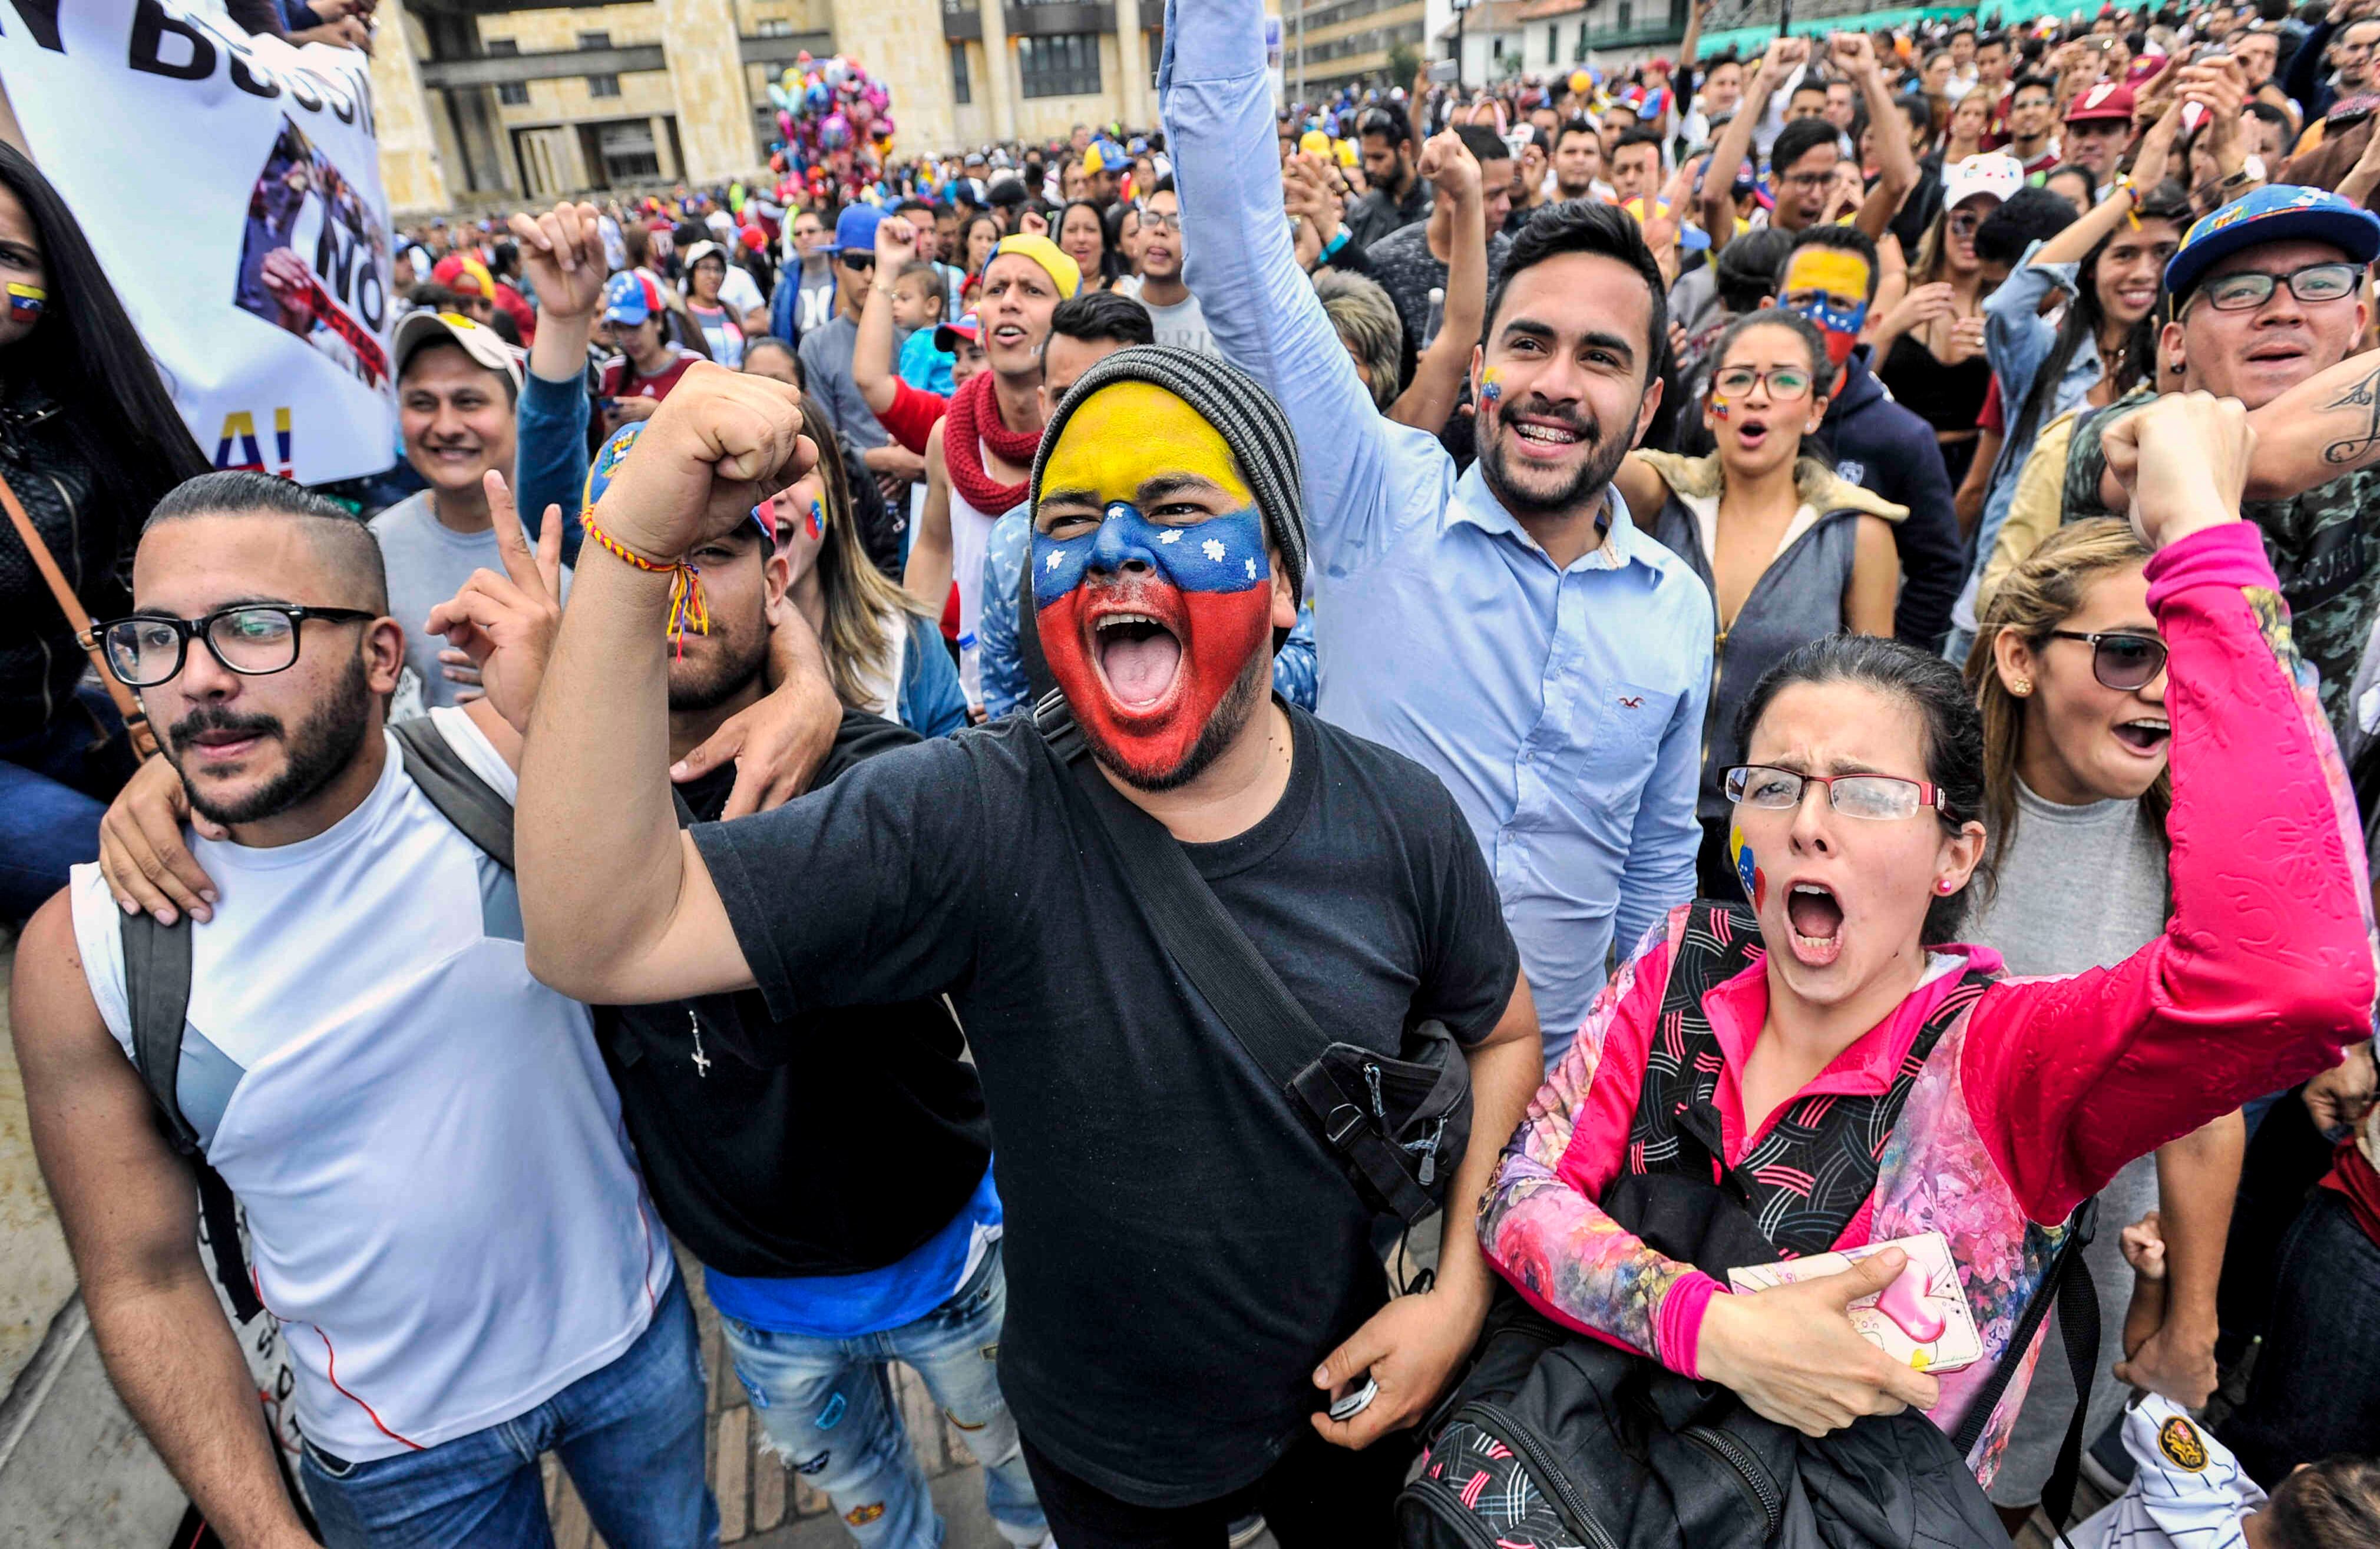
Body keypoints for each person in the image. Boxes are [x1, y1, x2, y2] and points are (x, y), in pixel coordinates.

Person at [511, 348, 1543, 1544]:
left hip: (1351, 1413)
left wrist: (1456, 1292)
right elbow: (599, 934)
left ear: (1278, 585)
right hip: (1101, 1455)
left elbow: (1504, 1031)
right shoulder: (972, 816)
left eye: (1172, 509)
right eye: (1068, 521)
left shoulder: (1399, 817)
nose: (1112, 549)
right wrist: (632, 551)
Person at [1477, 391, 2372, 1495]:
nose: (1807, 821)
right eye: (1775, 785)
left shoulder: (2003, 1064)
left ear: (1956, 857)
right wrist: (1715, 1330)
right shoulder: (1683, 958)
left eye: (1863, 793)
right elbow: (1521, 1201)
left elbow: (2295, 978)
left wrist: (2201, 535)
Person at [14, 472, 717, 1549]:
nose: (197, 681)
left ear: (383, 656)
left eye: (256, 629)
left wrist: (759, 681)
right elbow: (142, 1280)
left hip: (633, 1342)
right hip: (395, 1464)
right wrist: (268, 1536)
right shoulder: (87, 954)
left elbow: (741, 779)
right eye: (156, 639)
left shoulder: (511, 761)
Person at [1169, 0, 1711, 1070]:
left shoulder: (1678, 608)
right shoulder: (1381, 499)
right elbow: (1237, 261)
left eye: (1600, 359)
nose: (1556, 385)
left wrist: (1638, 1067)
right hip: (1334, 1084)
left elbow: (1655, 868)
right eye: (1529, 343)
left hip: (1552, 1111)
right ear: (1479, 374)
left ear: (1648, 411)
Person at [1964, 519, 2247, 1531]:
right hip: (1883, 1263)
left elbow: (2205, 1110)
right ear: (2019, 658)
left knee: (1982, 1512)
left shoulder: (2197, 856)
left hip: (2066, 1296)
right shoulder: (1927, 808)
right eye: (2128, 651)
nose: (2164, 688)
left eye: (2186, 659)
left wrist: (2191, 1322)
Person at [1614, 309, 1902, 895]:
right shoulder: (1657, 497)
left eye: (1785, 380)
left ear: (1816, 408)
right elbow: (1589, 456)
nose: (1757, 397)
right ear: (1708, 404)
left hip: (1774, 830)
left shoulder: (1856, 531)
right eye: (1738, 378)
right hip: (1635, 810)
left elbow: (1877, 708)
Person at [0, 140, 209, 924]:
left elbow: (158, 588)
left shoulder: (82, 410)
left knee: (240, 818)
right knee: (133, 870)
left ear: (51, 286)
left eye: (8, 254)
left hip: (67, 724)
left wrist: (175, 730)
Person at [1953, 163, 2190, 656]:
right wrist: (2127, 196)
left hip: (2106, 619)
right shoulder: (2043, 356)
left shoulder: (2183, 372)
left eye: (2164, 254)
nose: (2144, 273)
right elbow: (2007, 305)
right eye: (2124, 254)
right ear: (2091, 267)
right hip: (2001, 599)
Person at [1773, 226, 1967, 649]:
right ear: (1770, 307)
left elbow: (1938, 571)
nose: (1817, 319)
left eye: (1840, 304)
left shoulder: (1902, 438)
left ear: (1870, 323)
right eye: (1803, 300)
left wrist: (1890, 664)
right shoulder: (1727, 413)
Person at [910, 233, 1076, 708]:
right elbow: (934, 549)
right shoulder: (949, 436)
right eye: (996, 289)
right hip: (976, 703)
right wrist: (919, 674)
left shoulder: (1086, 433)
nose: (1010, 304)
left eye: (1033, 291)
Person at [1869, 154, 2022, 493]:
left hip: (1973, 473)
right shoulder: (1900, 287)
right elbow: (1857, 378)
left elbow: (2022, 408)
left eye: (1991, 224)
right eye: (1964, 221)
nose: (1973, 235)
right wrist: (1892, 327)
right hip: (1893, 460)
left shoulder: (2013, 307)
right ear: (1943, 223)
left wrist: (1999, 352)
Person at [800, 206, 923, 497]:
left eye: (876, 263)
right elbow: (822, 437)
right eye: (857, 262)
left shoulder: (914, 339)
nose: (869, 275)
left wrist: (913, 460)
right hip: (854, 495)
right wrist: (881, 460)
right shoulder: (816, 346)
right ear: (836, 265)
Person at [597, 269, 707, 435]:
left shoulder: (693, 367)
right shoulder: (612, 372)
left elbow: (708, 430)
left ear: (658, 321)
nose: (628, 338)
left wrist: (658, 412)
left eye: (635, 327)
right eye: (619, 328)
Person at [1132, 180, 1214, 355]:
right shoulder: (1118, 316)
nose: (1160, 229)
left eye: (1175, 223)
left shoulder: (1216, 322)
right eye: (1151, 219)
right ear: (1136, 239)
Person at [771, 206, 837, 344]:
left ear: (826, 235)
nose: (804, 237)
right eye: (798, 234)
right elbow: (777, 337)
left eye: (811, 231)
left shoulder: (844, 275)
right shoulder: (785, 287)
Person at [2062, 81, 2138, 201]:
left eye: (2105, 132)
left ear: (2128, 137)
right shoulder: (2038, 191)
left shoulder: (2140, 200)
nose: (2089, 144)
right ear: (2065, 138)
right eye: (2081, 132)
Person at [679, 240, 747, 369]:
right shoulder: (680, 314)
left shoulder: (730, 311)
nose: (713, 276)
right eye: (705, 268)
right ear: (691, 274)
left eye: (718, 269)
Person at [892, 260, 955, 397]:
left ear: (931, 306)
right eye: (894, 298)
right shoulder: (945, 338)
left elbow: (909, 396)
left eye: (904, 298)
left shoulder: (917, 344)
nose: (895, 305)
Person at [1056, 198, 1119, 294]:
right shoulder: (1047, 291)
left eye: (1090, 230)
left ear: (1104, 242)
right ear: (1060, 242)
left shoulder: (1125, 290)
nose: (1081, 239)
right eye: (1072, 230)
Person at [1551, 115, 1617, 203]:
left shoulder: (1612, 209)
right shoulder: (1534, 207)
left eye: (1589, 152)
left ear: (1600, 162)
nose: (1580, 160)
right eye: (1571, 152)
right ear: (1553, 160)